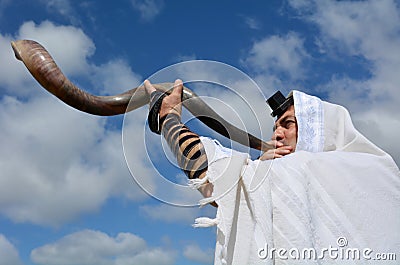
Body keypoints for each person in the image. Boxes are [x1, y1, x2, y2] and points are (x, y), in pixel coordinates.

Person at [144, 79, 400, 264]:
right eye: (275, 126)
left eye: (288, 124)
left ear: (317, 129)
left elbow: (208, 174)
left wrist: (168, 117)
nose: (277, 133)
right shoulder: (380, 171)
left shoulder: (307, 168)